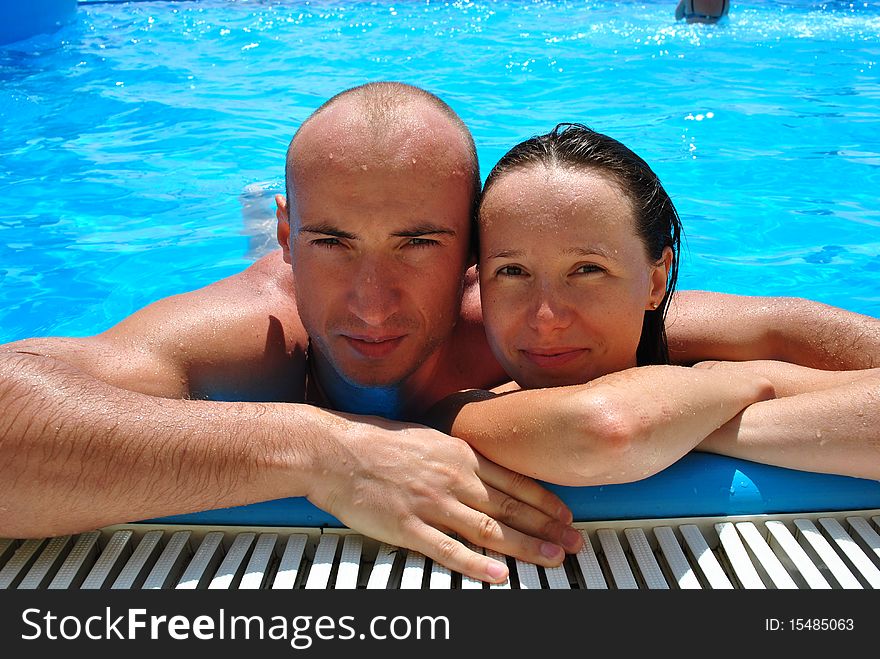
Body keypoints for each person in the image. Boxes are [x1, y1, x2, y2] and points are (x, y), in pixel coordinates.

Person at [1, 83, 878, 584]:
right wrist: (318, 448)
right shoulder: (256, 333)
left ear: (471, 251)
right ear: (288, 243)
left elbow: (815, 338)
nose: (373, 303)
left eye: (418, 244)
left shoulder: (521, 317)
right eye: (331, 243)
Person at [423, 123, 880, 484]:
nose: (547, 318)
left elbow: (786, 323)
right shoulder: (457, 408)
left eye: (588, 270)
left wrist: (689, 409)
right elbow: (605, 431)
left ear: (656, 279)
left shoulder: (696, 351)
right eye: (512, 272)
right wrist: (734, 386)